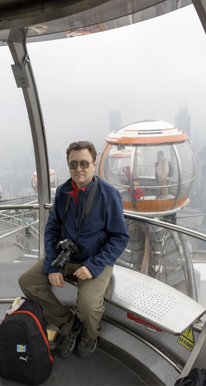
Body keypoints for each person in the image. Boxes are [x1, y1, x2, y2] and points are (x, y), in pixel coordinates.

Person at [18, 141, 129, 359]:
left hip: (95, 260)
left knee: (87, 303)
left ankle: (90, 333)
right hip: (65, 257)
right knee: (28, 282)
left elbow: (120, 237)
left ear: (94, 164)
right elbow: (52, 229)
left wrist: (93, 266)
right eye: (73, 164)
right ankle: (68, 324)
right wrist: (52, 266)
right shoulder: (63, 191)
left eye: (84, 163)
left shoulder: (109, 195)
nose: (79, 169)